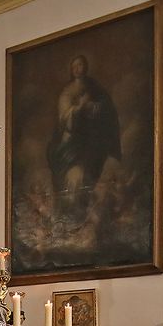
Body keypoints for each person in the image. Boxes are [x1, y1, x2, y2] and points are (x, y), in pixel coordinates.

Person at [48, 54, 120, 222]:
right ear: (71, 70)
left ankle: (82, 212)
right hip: (71, 140)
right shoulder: (67, 91)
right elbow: (64, 118)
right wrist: (79, 108)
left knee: (87, 176)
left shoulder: (95, 89)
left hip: (89, 139)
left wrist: (92, 106)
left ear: (85, 67)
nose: (77, 69)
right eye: (75, 66)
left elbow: (105, 109)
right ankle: (67, 213)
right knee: (68, 176)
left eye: (80, 65)